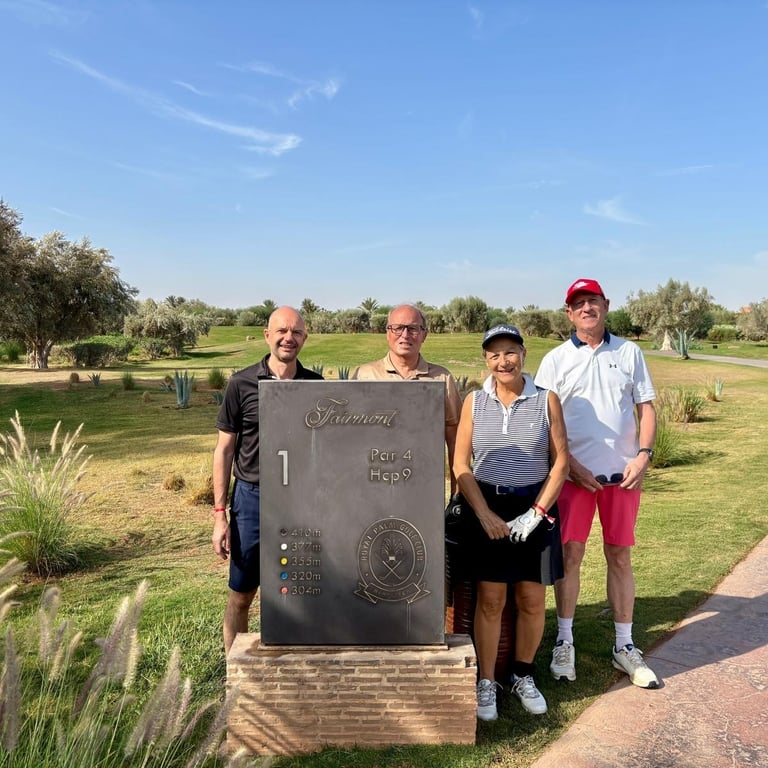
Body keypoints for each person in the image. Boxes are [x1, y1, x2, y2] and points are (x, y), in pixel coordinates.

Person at [534, 278, 659, 689]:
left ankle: (624, 645)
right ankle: (564, 641)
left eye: (593, 301)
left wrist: (643, 455)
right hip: (574, 479)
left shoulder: (629, 352)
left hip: (622, 478)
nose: (587, 308)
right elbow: (544, 421)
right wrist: (568, 466)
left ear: (605, 305)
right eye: (579, 303)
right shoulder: (555, 360)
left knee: (619, 555)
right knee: (570, 555)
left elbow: (645, 407)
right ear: (569, 313)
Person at [453, 324, 568, 721]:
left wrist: (536, 513)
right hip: (486, 505)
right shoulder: (474, 401)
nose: (503, 361)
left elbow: (561, 462)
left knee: (531, 599)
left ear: (523, 354)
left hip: (535, 505)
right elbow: (460, 464)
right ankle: (487, 681)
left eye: (510, 352)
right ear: (486, 360)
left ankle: (523, 674)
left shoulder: (546, 400)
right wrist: (484, 514)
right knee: (491, 600)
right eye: (494, 354)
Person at [212, 306, 323, 654]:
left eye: (297, 332)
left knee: (299, 595)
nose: (289, 338)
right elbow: (224, 450)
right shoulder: (241, 383)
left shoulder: (316, 386)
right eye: (282, 331)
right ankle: (236, 672)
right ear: (267, 335)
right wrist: (220, 515)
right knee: (242, 594)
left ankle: (293, 670)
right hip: (252, 498)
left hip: (300, 501)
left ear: (304, 338)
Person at [351, 304, 463, 493]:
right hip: (371, 485)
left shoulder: (442, 378)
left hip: (423, 486)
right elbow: (348, 438)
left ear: (424, 335)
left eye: (413, 328)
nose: (405, 335)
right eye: (398, 328)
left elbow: (455, 439)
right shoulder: (363, 375)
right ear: (387, 333)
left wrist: (456, 494)